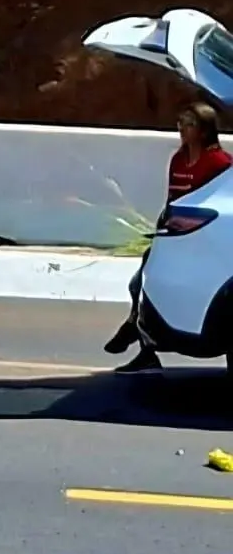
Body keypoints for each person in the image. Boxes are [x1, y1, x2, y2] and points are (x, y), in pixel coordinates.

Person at [105, 102, 232, 374]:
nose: (181, 129)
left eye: (188, 124)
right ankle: (143, 345)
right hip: (176, 233)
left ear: (204, 130)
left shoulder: (220, 163)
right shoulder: (178, 159)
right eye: (180, 123)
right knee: (138, 284)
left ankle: (134, 329)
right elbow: (173, 198)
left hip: (204, 238)